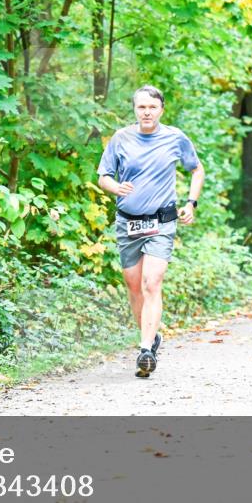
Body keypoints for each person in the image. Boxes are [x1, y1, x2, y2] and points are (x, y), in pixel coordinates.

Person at [98, 85, 205, 378]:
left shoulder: (174, 137)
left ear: (161, 110)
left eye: (152, 107)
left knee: (151, 282)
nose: (146, 112)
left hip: (161, 221)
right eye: (141, 107)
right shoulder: (121, 138)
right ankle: (151, 335)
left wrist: (191, 203)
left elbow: (196, 169)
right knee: (134, 286)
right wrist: (114, 186)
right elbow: (103, 175)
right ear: (134, 109)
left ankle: (145, 349)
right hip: (127, 221)